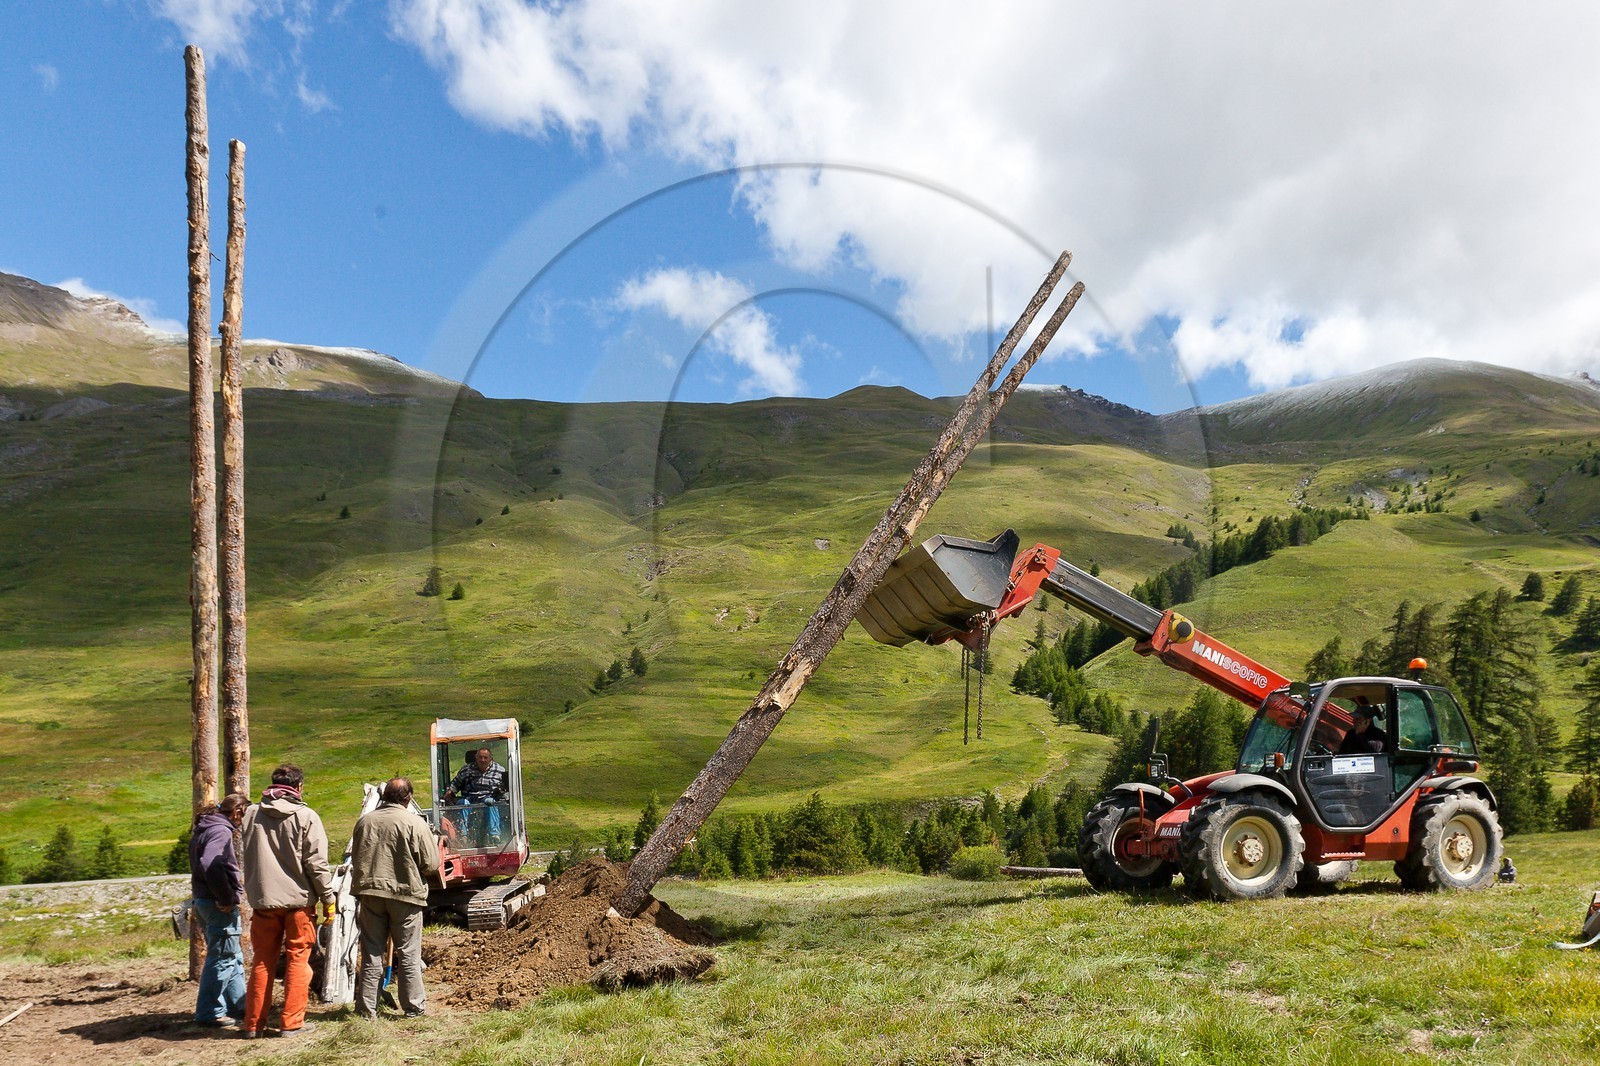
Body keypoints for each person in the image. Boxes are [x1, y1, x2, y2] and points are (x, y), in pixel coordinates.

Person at [239, 763, 335, 1039]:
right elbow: (317, 864)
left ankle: (253, 1024)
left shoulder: (251, 814)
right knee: (297, 961)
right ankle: (291, 1023)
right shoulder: (306, 816)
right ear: (299, 787)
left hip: (263, 902)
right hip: (298, 903)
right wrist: (328, 898)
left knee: (262, 961)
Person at [350, 777, 440, 1020]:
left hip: (370, 894)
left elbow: (356, 857)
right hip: (405, 896)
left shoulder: (364, 822)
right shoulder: (414, 822)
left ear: (384, 796)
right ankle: (413, 1008)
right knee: (408, 953)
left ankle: (366, 1010)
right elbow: (431, 864)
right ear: (408, 798)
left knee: (371, 953)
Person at [190, 793, 249, 1028]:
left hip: (203, 900)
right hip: (216, 904)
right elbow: (210, 863)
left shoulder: (205, 827)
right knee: (222, 958)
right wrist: (225, 897)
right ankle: (210, 1012)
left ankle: (239, 1006)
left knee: (231, 956)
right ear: (237, 812)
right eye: (244, 815)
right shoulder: (220, 830)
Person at [442, 747, 509, 846]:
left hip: (487, 799)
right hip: (469, 799)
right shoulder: (466, 770)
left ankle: (494, 835)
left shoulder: (499, 770)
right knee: (462, 803)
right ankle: (463, 835)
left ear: (491, 759)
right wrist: (450, 791)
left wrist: (502, 793)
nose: (482, 760)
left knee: (490, 802)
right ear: (476, 758)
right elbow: (455, 783)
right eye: (480, 757)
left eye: (485, 757)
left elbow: (506, 788)